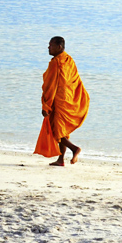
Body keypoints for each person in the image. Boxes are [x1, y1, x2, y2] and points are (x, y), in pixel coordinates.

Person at [34, 36, 90, 166]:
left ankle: (74, 148)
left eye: (51, 45)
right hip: (68, 98)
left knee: (55, 131)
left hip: (58, 100)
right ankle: (60, 160)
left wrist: (46, 105)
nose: (48, 47)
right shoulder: (68, 59)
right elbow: (74, 81)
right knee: (62, 130)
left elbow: (51, 85)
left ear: (59, 47)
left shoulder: (57, 63)